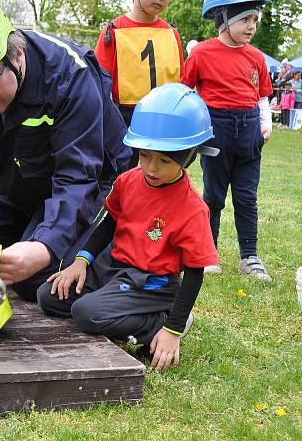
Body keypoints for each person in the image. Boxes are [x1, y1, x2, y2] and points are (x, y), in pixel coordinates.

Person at [0, 0, 132, 301]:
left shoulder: (70, 78)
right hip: (15, 188)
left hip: (94, 186)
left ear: (16, 55)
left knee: (39, 281)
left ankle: (125, 276)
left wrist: (44, 246)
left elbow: (77, 178)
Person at [37, 83, 219, 371]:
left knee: (86, 313)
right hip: (113, 267)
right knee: (49, 296)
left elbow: (196, 272)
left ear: (190, 155)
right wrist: (81, 261)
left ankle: (161, 320)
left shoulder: (193, 209)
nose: (151, 168)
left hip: (150, 282)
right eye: (144, 155)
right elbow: (110, 222)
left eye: (164, 160)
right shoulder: (129, 180)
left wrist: (172, 329)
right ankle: (115, 302)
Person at [181, 0, 273, 281]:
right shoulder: (201, 53)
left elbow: (262, 97)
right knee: (214, 196)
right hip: (216, 132)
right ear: (224, 18)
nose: (251, 26)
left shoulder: (257, 57)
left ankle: (250, 256)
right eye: (246, 19)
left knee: (247, 198)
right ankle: (209, 254)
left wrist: (264, 124)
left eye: (255, 21)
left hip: (249, 135)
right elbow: (187, 92)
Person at [94, 0, 185, 166]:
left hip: (162, 124)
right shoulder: (113, 31)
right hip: (122, 123)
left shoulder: (172, 34)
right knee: (121, 182)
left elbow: (179, 82)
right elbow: (98, 85)